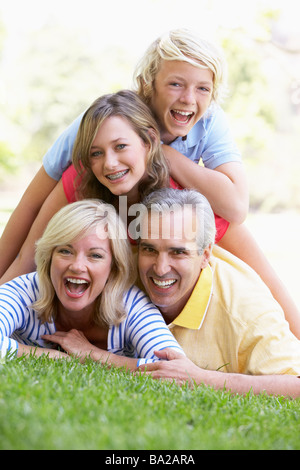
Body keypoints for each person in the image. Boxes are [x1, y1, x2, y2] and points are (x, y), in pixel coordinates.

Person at [1, 29, 299, 337]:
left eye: (202, 89)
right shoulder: (94, 135)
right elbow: (29, 225)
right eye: (174, 84)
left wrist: (165, 154)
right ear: (147, 85)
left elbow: (239, 218)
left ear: (149, 142)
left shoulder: (199, 145)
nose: (188, 98)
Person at [0, 90, 229, 284]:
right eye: (96, 153)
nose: (109, 163)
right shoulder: (80, 180)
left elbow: (249, 264)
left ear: (148, 142)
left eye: (120, 146)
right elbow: (27, 259)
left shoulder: (180, 199)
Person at [136, 188, 300, 398]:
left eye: (178, 252)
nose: (160, 268)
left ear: (205, 255)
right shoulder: (127, 274)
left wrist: (202, 379)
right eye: (149, 250)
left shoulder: (246, 311)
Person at [0, 199, 184, 366]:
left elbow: (175, 367)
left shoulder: (131, 304)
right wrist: (56, 357)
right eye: (65, 251)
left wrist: (93, 355)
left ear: (114, 267)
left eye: (95, 255)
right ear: (49, 257)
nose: (77, 266)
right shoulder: (25, 291)